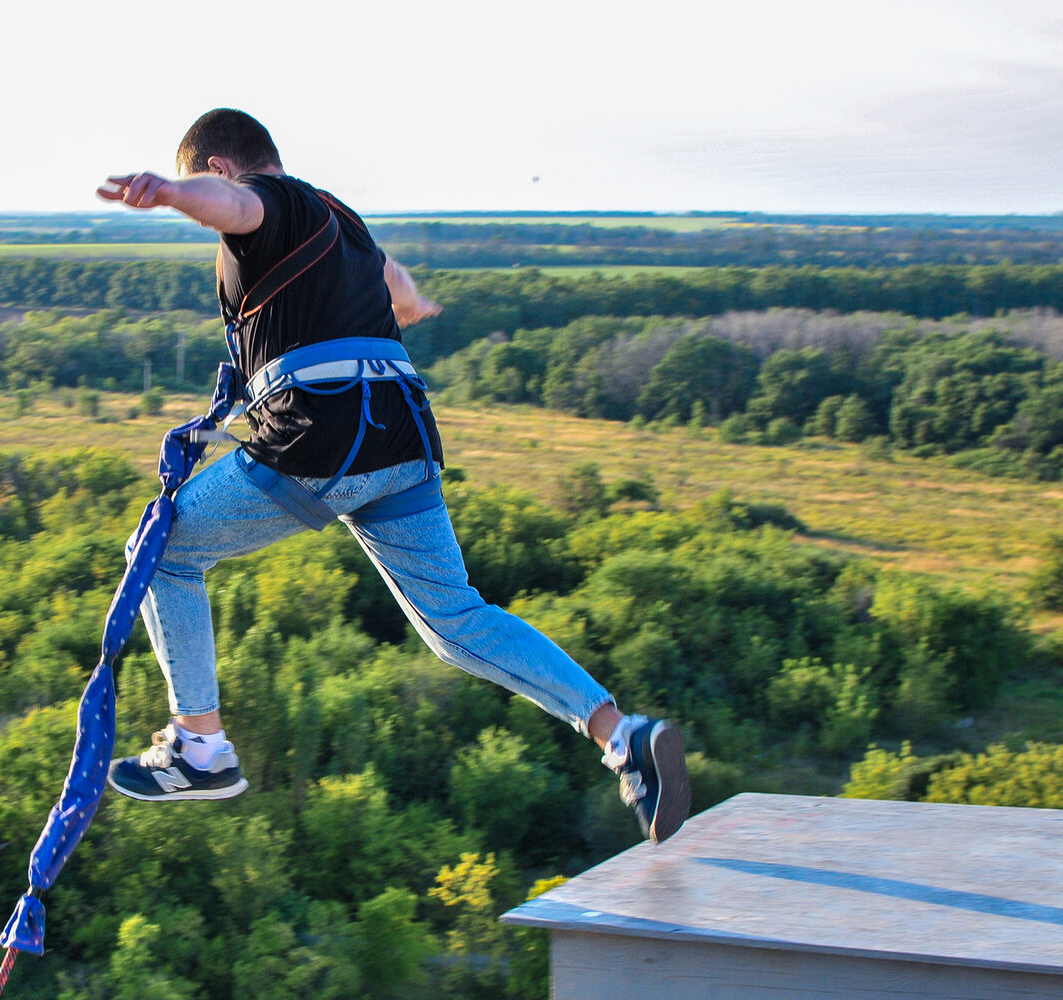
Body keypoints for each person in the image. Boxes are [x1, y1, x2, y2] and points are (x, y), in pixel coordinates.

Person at [96, 108, 690, 843]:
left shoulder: (264, 202)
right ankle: (619, 732)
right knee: (457, 622)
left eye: (200, 178)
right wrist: (409, 304)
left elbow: (237, 204)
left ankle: (200, 747)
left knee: (161, 552)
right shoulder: (341, 223)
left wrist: (172, 195)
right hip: (401, 435)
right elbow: (395, 281)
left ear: (218, 165)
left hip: (323, 436)